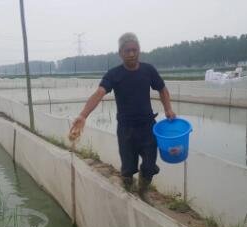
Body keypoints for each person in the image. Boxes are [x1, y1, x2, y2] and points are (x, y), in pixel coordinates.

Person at [69, 32, 176, 199]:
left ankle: (142, 192)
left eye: (134, 50)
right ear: (120, 53)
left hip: (148, 127)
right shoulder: (114, 74)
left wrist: (168, 109)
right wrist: (83, 115)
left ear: (139, 50)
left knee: (149, 165)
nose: (131, 54)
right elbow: (99, 93)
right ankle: (128, 190)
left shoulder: (148, 70)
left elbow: (162, 88)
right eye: (127, 50)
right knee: (128, 168)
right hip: (126, 130)